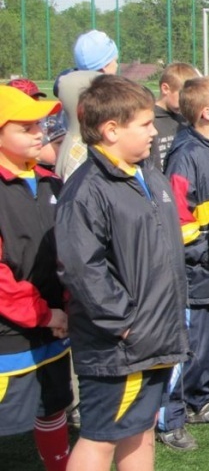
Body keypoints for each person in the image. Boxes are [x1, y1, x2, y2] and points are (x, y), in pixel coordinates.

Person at [55, 75, 189, 471]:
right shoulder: (88, 189)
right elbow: (82, 266)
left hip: (153, 334)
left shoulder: (146, 173)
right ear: (111, 130)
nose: (154, 131)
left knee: (141, 428)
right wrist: (125, 322)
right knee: (100, 439)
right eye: (145, 124)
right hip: (120, 344)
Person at [157, 77, 209, 451]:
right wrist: (208, 256)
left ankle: (198, 402)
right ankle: (170, 418)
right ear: (206, 112)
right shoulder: (185, 155)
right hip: (198, 273)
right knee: (189, 348)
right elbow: (180, 222)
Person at [0, 86, 71, 471]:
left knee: (53, 405)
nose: (39, 132)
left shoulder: (50, 182)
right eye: (25, 126)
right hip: (10, 334)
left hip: (54, 328)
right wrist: (43, 314)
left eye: (39, 123)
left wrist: (64, 310)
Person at [55, 30, 120, 180]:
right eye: (114, 60)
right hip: (87, 157)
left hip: (70, 151)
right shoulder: (105, 95)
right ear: (104, 66)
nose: (116, 65)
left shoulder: (68, 85)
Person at [147, 62, 198, 172]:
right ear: (165, 89)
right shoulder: (149, 121)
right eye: (182, 95)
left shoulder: (186, 120)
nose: (187, 102)